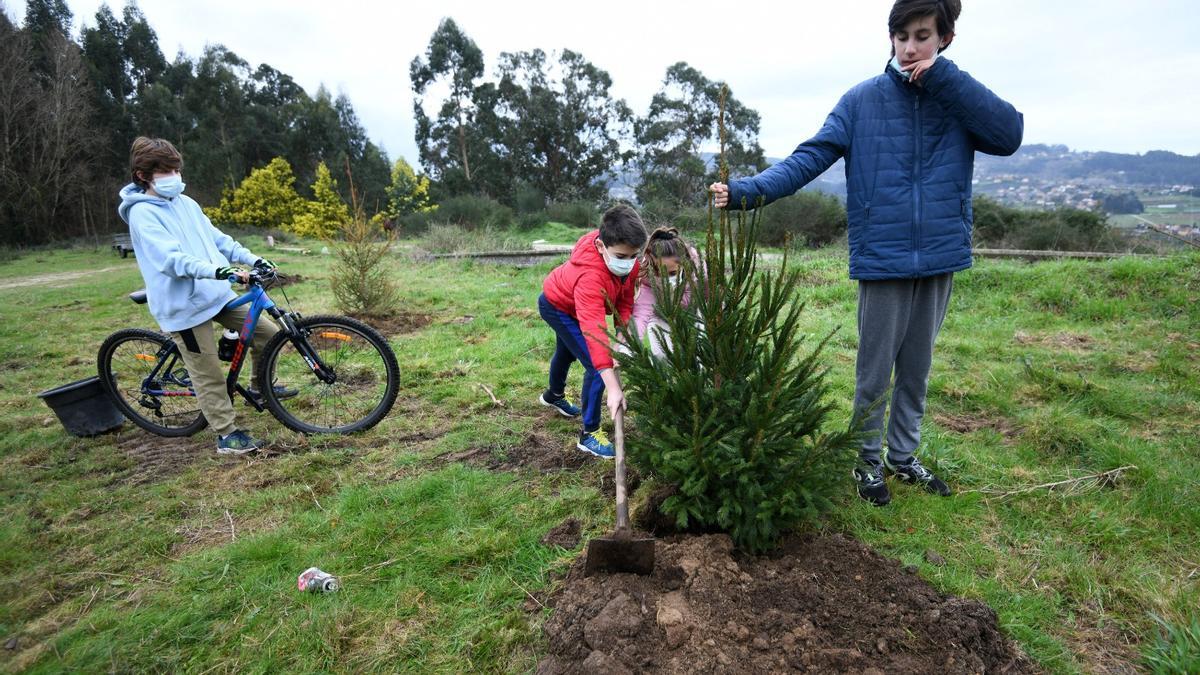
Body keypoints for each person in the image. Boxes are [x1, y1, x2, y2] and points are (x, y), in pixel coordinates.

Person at [710, 0, 1023, 505]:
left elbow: (1009, 135)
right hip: (883, 256)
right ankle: (866, 461)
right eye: (900, 36)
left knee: (917, 368)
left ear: (945, 38)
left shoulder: (958, 98)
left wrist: (944, 80)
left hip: (940, 254)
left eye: (921, 36)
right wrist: (747, 191)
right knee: (874, 371)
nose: (908, 47)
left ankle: (902, 458)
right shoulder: (862, 101)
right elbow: (811, 156)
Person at [118, 136, 286, 455]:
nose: (174, 176)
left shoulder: (186, 203)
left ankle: (260, 388)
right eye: (166, 171)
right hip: (184, 309)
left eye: (176, 169)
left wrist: (252, 259)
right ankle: (226, 435)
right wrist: (219, 271)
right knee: (208, 373)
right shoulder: (142, 214)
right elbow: (171, 261)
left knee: (269, 336)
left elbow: (219, 240)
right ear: (143, 175)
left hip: (215, 295)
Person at [537, 204, 648, 458]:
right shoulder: (590, 277)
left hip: (574, 306)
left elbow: (625, 302)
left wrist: (622, 340)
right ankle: (589, 434)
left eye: (634, 256)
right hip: (558, 307)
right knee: (597, 366)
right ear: (601, 246)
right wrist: (613, 387)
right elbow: (595, 333)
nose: (629, 263)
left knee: (567, 352)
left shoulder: (628, 262)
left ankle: (553, 395)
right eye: (621, 257)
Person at [631, 226, 704, 358]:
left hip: (695, 310)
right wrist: (632, 344)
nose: (666, 278)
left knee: (701, 351)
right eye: (660, 272)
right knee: (661, 354)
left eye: (672, 273)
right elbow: (642, 312)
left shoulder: (696, 265)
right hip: (661, 311)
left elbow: (711, 295)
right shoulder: (646, 273)